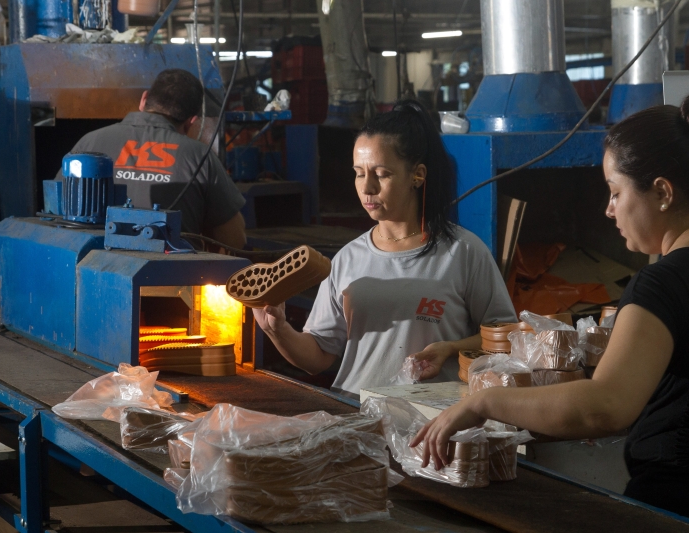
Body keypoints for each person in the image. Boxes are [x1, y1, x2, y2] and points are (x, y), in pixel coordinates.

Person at [412, 99, 689, 517]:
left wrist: (482, 403)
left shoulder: (662, 284)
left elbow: (605, 406)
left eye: (616, 192)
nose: (609, 209)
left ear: (663, 192)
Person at [254, 101, 517, 398]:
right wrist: (278, 329)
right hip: (356, 412)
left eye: (381, 174)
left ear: (417, 175)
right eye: (358, 173)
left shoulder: (463, 253)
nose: (367, 188)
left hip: (430, 419)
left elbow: (507, 339)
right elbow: (318, 356)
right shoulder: (347, 259)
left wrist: (452, 349)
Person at [57, 69, 246, 249]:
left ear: (144, 99)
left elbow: (55, 211)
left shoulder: (90, 142)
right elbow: (235, 239)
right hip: (173, 270)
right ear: (192, 121)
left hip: (91, 263)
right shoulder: (200, 156)